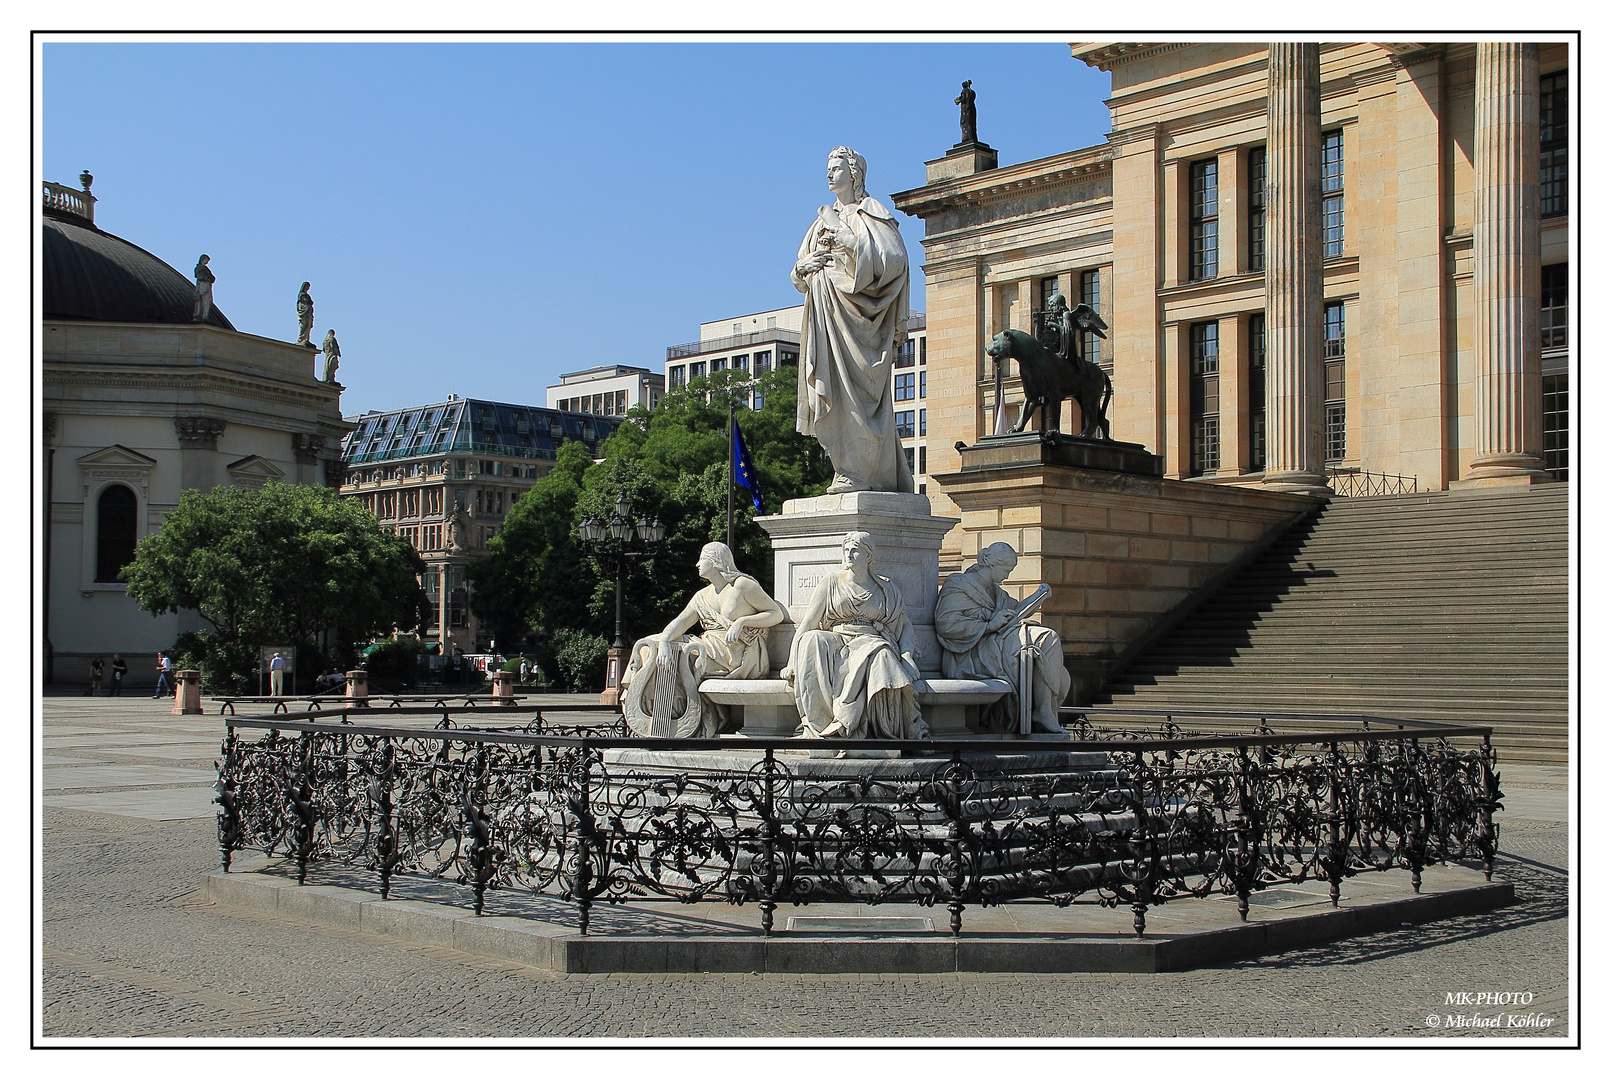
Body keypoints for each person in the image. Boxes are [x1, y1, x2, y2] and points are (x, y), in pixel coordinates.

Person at [791, 147, 913, 494]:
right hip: (827, 321)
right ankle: (845, 468)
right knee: (836, 397)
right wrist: (804, 268)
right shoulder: (819, 222)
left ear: (855, 172)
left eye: (836, 168)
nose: (829, 174)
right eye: (827, 169)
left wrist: (847, 239)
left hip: (863, 327)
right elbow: (798, 273)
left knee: (860, 396)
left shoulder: (871, 214)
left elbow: (895, 261)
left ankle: (864, 472)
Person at [620, 542, 788, 737]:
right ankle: (656, 714)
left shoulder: (742, 585)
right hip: (709, 645)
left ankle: (678, 716)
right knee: (650, 646)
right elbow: (681, 622)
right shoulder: (702, 596)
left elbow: (776, 614)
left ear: (716, 561)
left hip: (738, 652)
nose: (697, 564)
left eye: (702, 559)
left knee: (686, 655)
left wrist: (742, 622)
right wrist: (665, 641)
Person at [783, 532, 927, 740]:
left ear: (869, 556)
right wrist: (792, 663)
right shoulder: (830, 582)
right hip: (838, 639)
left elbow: (905, 627)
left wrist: (906, 656)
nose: (848, 555)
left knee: (882, 654)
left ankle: (877, 730)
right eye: (846, 550)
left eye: (855, 551)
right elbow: (807, 624)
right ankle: (820, 724)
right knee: (812, 639)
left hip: (871, 640)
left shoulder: (885, 588)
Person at [935, 542, 1071, 734]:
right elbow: (947, 624)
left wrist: (1038, 596)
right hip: (970, 651)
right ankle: (1042, 712)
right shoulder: (958, 585)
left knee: (1046, 643)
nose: (1007, 575)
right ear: (992, 565)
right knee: (1047, 637)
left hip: (996, 642)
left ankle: (1043, 710)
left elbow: (1016, 611)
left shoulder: (997, 592)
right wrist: (989, 625)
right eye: (1006, 569)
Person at [192, 255, 214, 323]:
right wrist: (206, 278)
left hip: (207, 285)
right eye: (206, 260)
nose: (207, 262)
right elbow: (199, 276)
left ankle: (205, 315)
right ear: (202, 259)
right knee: (201, 300)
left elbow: (212, 278)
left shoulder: (206, 269)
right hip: (203, 285)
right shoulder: (199, 268)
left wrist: (209, 278)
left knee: (207, 301)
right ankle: (200, 315)